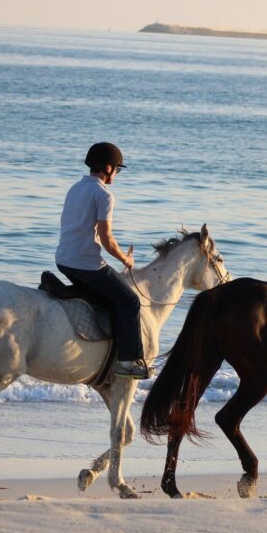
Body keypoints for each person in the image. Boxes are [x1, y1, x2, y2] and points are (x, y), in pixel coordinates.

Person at [55, 142, 152, 379]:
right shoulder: (104, 194)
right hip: (86, 264)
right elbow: (107, 240)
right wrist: (126, 259)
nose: (117, 174)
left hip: (63, 260)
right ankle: (129, 362)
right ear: (108, 168)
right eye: (117, 169)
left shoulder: (75, 188)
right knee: (130, 301)